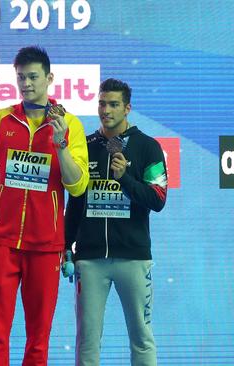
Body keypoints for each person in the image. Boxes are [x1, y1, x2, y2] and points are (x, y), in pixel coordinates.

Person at [0, 45, 90, 366]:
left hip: (46, 248)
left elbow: (77, 185)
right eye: (21, 77)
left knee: (39, 340)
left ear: (49, 78)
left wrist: (61, 146)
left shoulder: (70, 125)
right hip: (1, 246)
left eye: (33, 77)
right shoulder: (1, 120)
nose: (26, 84)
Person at [64, 78, 168, 366]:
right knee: (86, 340)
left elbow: (158, 199)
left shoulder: (149, 147)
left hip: (134, 259)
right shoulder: (84, 146)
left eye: (113, 104)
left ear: (127, 108)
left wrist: (125, 179)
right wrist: (65, 245)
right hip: (90, 259)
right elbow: (76, 202)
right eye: (101, 103)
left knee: (141, 337)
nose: (105, 110)